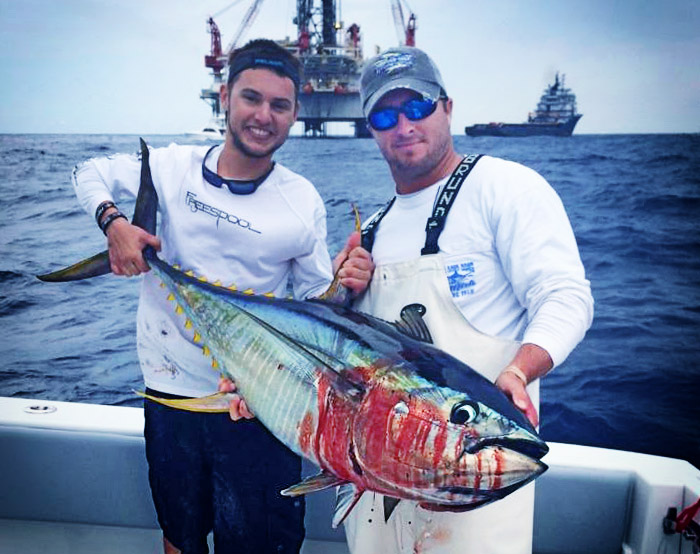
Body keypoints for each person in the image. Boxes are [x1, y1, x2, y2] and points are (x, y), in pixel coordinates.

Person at [72, 39, 372, 554]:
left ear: (296, 113)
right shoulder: (171, 167)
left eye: (280, 105)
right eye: (251, 98)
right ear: (225, 96)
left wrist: (346, 284)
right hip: (170, 396)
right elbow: (87, 173)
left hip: (260, 409)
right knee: (180, 539)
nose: (263, 115)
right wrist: (115, 224)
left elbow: (313, 309)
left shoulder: (300, 201)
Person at [343, 46, 594, 554]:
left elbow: (566, 296)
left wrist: (519, 372)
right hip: (377, 487)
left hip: (474, 475)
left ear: (447, 107)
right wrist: (340, 294)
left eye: (417, 106)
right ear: (371, 128)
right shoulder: (371, 229)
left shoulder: (505, 188)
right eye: (385, 114)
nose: (404, 125)